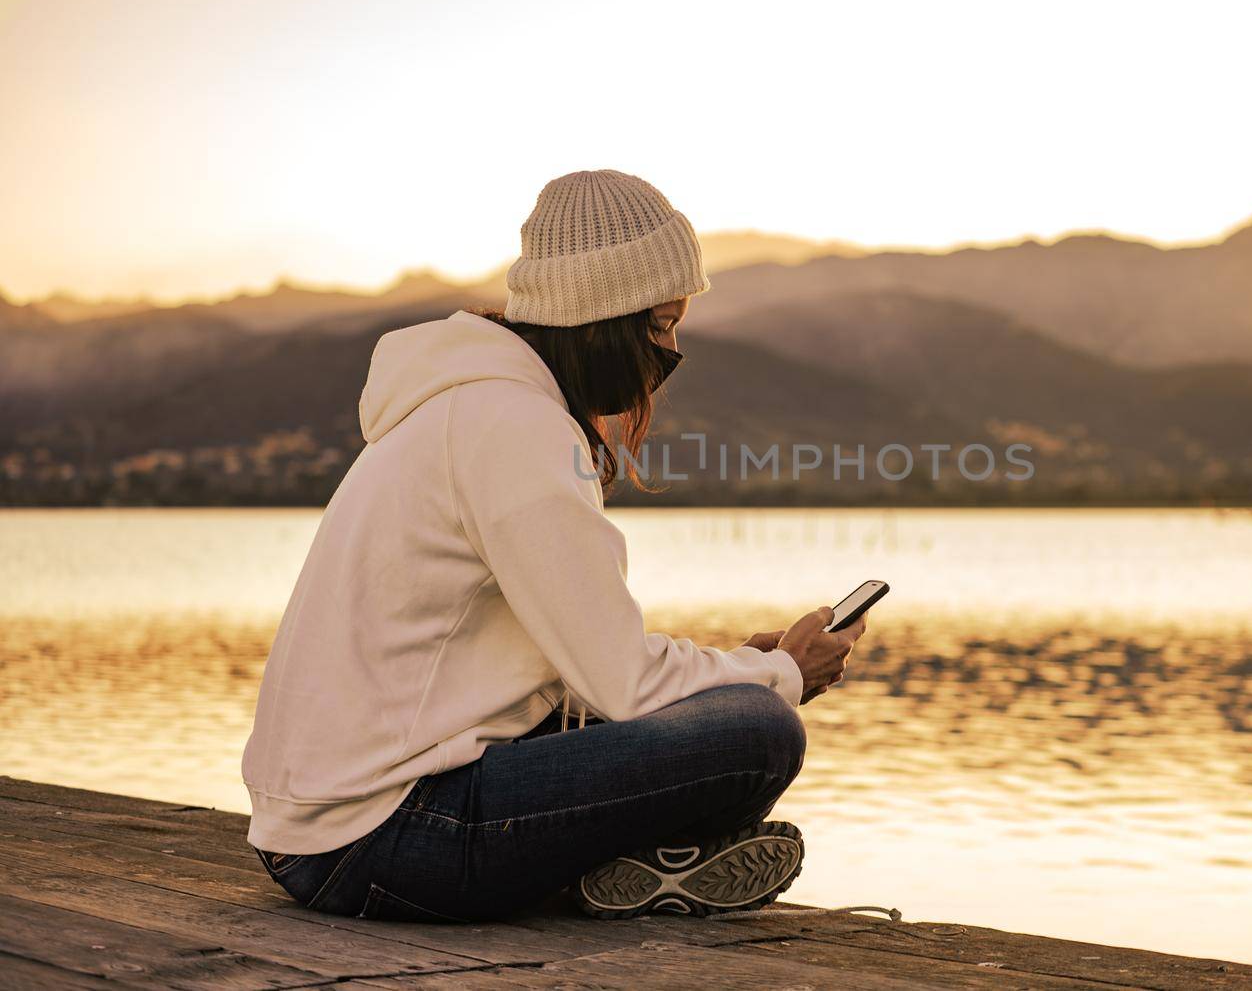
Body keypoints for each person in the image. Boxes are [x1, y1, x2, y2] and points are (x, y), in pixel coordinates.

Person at [240, 169, 865, 923]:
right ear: (607, 315)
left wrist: (742, 668)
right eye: (662, 326)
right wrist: (780, 674)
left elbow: (584, 677)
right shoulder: (515, 428)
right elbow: (622, 681)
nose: (670, 353)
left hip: (319, 829)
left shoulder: (465, 404)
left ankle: (635, 869)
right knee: (761, 733)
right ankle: (641, 864)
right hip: (380, 837)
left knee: (735, 701)